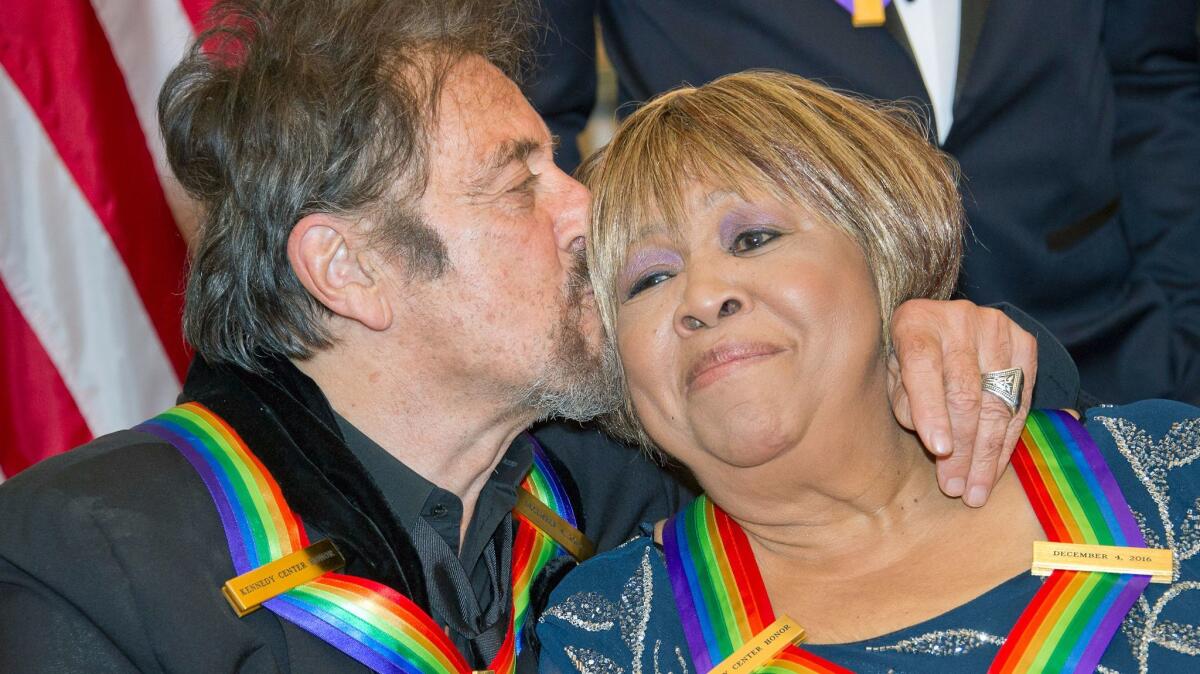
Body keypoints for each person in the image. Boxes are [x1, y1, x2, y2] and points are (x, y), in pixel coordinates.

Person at [0, 2, 1069, 672]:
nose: (587, 212)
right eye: (522, 179)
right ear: (350, 269)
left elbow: (985, 429)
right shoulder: (89, 555)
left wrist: (919, 344)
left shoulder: (618, 470)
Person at [537, 71, 1200, 673]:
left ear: (885, 245)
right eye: (649, 278)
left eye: (754, 239)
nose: (704, 297)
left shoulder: (1168, 472)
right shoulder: (608, 637)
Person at [527, 0, 1200, 405]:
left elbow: (1153, 79)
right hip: (782, 396)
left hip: (1107, 342)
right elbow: (533, 132)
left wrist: (1184, 310)